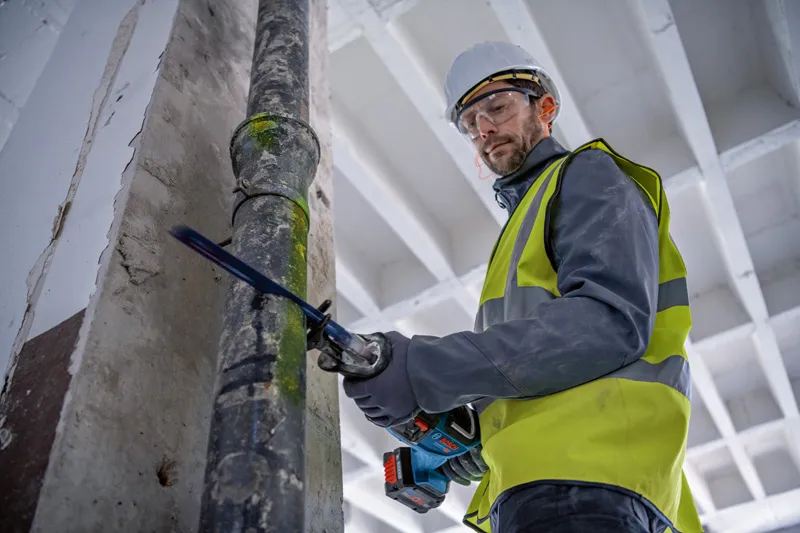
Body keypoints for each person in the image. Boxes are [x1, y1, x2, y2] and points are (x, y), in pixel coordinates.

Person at [339, 42, 702, 533]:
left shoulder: (586, 174)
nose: (484, 129)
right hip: (555, 485)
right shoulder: (521, 228)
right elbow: (541, 374)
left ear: (545, 108)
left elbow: (607, 325)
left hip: (585, 480)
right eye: (470, 124)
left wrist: (423, 367)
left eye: (497, 107)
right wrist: (466, 449)